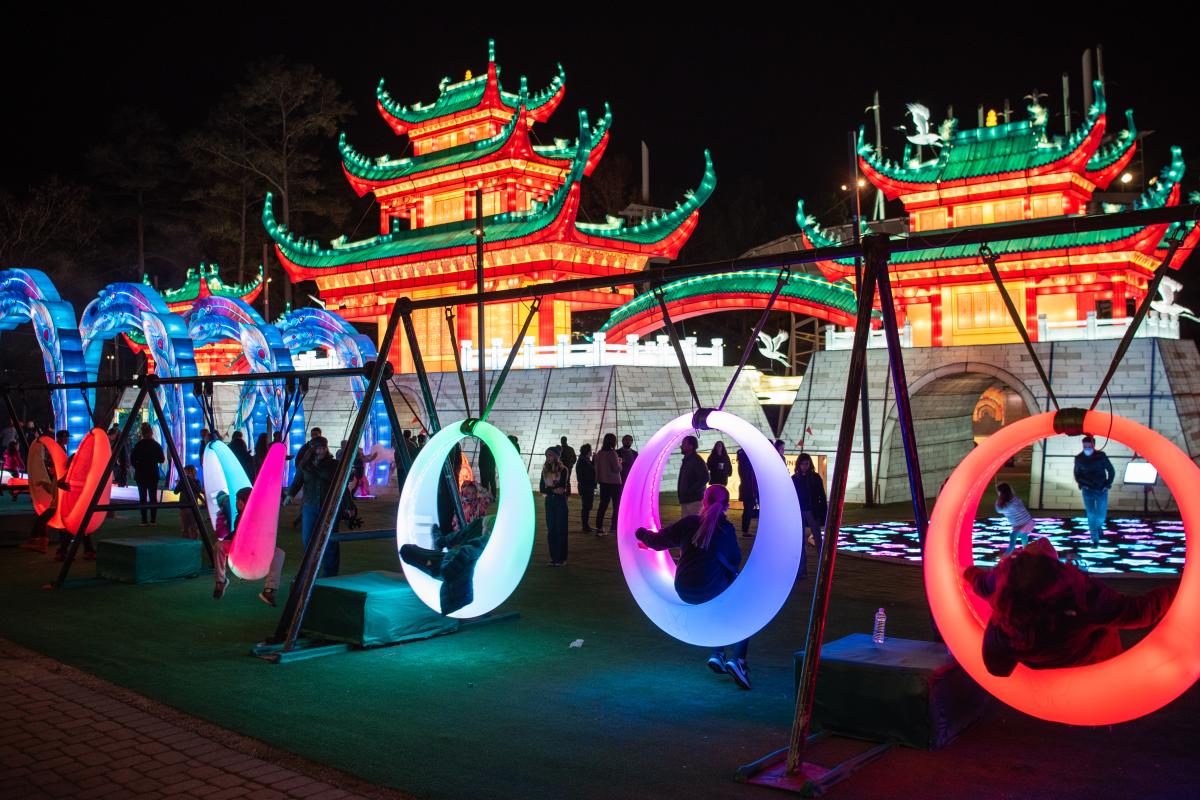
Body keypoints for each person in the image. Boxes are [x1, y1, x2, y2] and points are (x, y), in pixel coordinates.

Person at [964, 537, 1176, 676]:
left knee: (1001, 619)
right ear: (1055, 569)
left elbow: (979, 581)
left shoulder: (1001, 582)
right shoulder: (1082, 596)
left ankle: (1003, 662)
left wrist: (966, 570)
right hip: (1083, 660)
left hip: (1030, 654)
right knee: (1104, 626)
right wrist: (1176, 591)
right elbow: (1140, 612)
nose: (1035, 542)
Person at [635, 484, 752, 689]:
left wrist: (640, 533)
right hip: (710, 590)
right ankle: (738, 659)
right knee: (748, 607)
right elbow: (735, 561)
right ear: (726, 506)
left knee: (720, 601)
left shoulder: (690, 523)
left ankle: (717, 655)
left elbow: (658, 540)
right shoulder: (727, 530)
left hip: (684, 589)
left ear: (703, 501)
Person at [401, 514, 495, 615]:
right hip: (457, 560)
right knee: (479, 524)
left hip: (456, 567)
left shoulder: (483, 545)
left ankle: (440, 542)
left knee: (406, 551)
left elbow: (449, 569)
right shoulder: (483, 539)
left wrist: (454, 553)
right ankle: (441, 541)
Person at [212, 486, 286, 606]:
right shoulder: (239, 516)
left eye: (239, 500)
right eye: (236, 500)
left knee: (279, 553)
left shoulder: (259, 515)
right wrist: (228, 538)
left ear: (246, 500)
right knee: (219, 546)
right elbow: (237, 534)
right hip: (240, 548)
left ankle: (269, 590)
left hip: (256, 549)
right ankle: (221, 581)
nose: (236, 503)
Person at [285, 436, 341, 577]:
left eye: (324, 447)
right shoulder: (305, 465)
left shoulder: (334, 464)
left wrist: (347, 506)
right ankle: (310, 572)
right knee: (308, 540)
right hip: (309, 507)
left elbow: (341, 485)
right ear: (313, 449)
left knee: (330, 541)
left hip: (328, 507)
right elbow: (297, 481)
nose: (322, 450)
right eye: (318, 447)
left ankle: (330, 574)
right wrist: (290, 495)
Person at [1074, 434, 1115, 545]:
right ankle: (1095, 539)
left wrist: (1108, 484)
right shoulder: (1079, 458)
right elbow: (1077, 474)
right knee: (1091, 514)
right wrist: (1082, 484)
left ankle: (1097, 527)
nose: (1087, 448)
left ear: (1093, 445)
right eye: (1084, 446)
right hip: (1087, 490)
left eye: (1089, 445)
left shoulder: (1101, 456)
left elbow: (1111, 470)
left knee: (1101, 515)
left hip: (1101, 489)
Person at [792, 453, 827, 579]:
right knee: (800, 542)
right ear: (799, 465)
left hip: (812, 511)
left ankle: (823, 566)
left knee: (818, 539)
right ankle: (802, 569)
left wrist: (823, 514)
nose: (804, 467)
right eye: (802, 464)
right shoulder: (795, 479)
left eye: (806, 464)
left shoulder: (815, 478)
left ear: (809, 464)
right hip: (800, 511)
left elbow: (821, 497)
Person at [541, 447, 571, 565]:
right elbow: (542, 488)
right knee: (551, 530)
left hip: (560, 503)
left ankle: (562, 558)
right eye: (547, 455)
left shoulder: (563, 470)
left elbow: (562, 488)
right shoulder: (544, 471)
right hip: (549, 503)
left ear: (556, 456)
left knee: (561, 529)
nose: (548, 458)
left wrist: (550, 489)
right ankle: (553, 557)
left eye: (550, 455)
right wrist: (553, 490)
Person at [130, 423, 165, 526]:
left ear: (142, 433)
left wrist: (138, 466)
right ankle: (153, 520)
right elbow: (162, 459)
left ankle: (144, 520)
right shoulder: (156, 445)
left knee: (142, 497)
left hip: (141, 473)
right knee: (153, 497)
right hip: (153, 473)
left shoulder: (138, 445)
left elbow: (132, 459)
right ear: (151, 433)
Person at [594, 433, 623, 537]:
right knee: (616, 506)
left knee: (602, 505)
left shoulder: (600, 453)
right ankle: (614, 526)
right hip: (614, 483)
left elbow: (597, 468)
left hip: (603, 483)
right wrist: (620, 462)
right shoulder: (612, 453)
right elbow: (616, 469)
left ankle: (599, 527)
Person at [995, 482, 1035, 555]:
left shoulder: (1009, 505)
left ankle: (1004, 559)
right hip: (1028, 522)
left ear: (1001, 493)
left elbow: (998, 510)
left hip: (1022, 525)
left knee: (1012, 540)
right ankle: (1026, 554)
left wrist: (998, 499)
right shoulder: (1015, 499)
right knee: (1024, 537)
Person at [677, 435, 709, 517]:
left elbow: (705, 477)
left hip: (694, 501)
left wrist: (691, 491)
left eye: (684, 444)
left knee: (695, 525)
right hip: (688, 500)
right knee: (687, 527)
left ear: (691, 446)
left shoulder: (696, 460)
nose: (681, 446)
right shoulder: (689, 460)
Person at [173, 465, 203, 540]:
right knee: (188, 527)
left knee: (191, 527)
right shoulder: (186, 481)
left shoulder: (195, 481)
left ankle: (191, 543)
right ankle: (188, 543)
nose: (185, 473)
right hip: (187, 506)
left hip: (189, 506)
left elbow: (197, 490)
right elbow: (176, 491)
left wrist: (188, 480)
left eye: (186, 471)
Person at [576, 443, 597, 532]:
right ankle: (585, 526)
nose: (591, 451)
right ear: (587, 451)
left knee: (587, 506)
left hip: (587, 486)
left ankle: (586, 525)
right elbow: (587, 474)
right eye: (590, 450)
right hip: (586, 487)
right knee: (586, 506)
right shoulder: (583, 461)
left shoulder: (585, 460)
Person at [737, 447, 758, 537]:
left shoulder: (742, 463)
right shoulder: (746, 465)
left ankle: (745, 529)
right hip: (749, 489)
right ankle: (745, 530)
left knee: (748, 509)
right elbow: (748, 478)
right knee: (748, 510)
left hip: (748, 489)